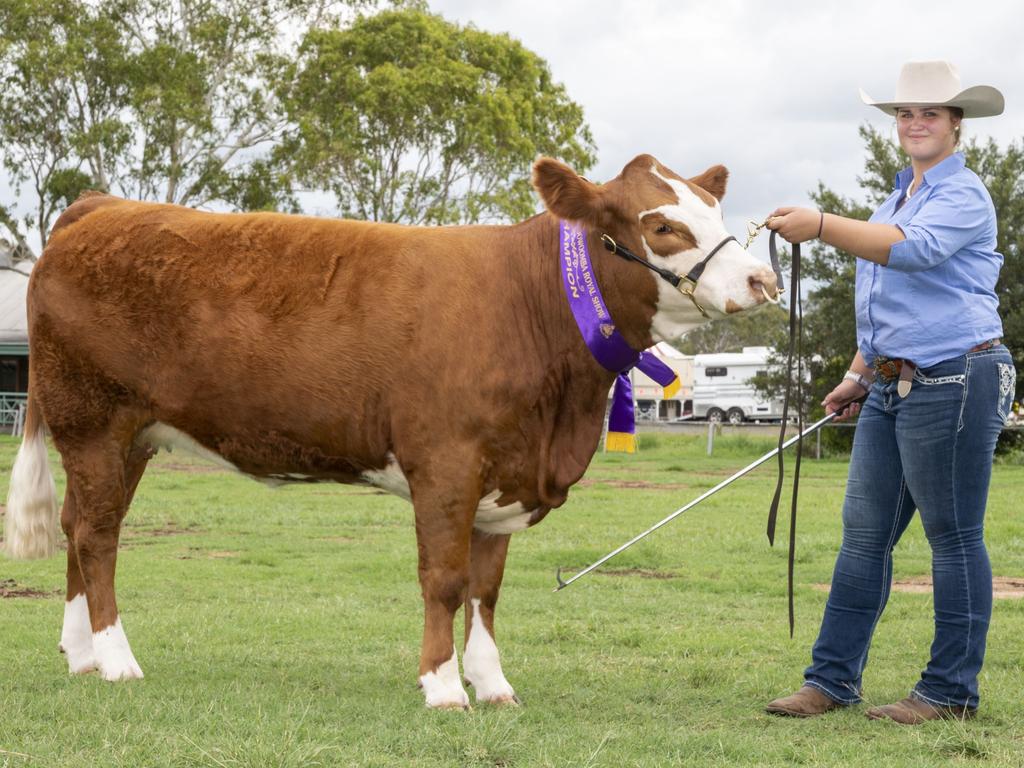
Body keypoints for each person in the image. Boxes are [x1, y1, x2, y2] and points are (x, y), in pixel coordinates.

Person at [763, 61, 1014, 724]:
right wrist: (855, 373)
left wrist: (820, 224)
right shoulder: (895, 198)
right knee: (863, 535)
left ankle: (950, 690)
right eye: (905, 113)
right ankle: (832, 679)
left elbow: (912, 254)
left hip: (957, 377)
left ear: (956, 125)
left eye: (930, 113)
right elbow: (883, 296)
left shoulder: (963, 196)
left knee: (953, 535)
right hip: (889, 381)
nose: (915, 122)